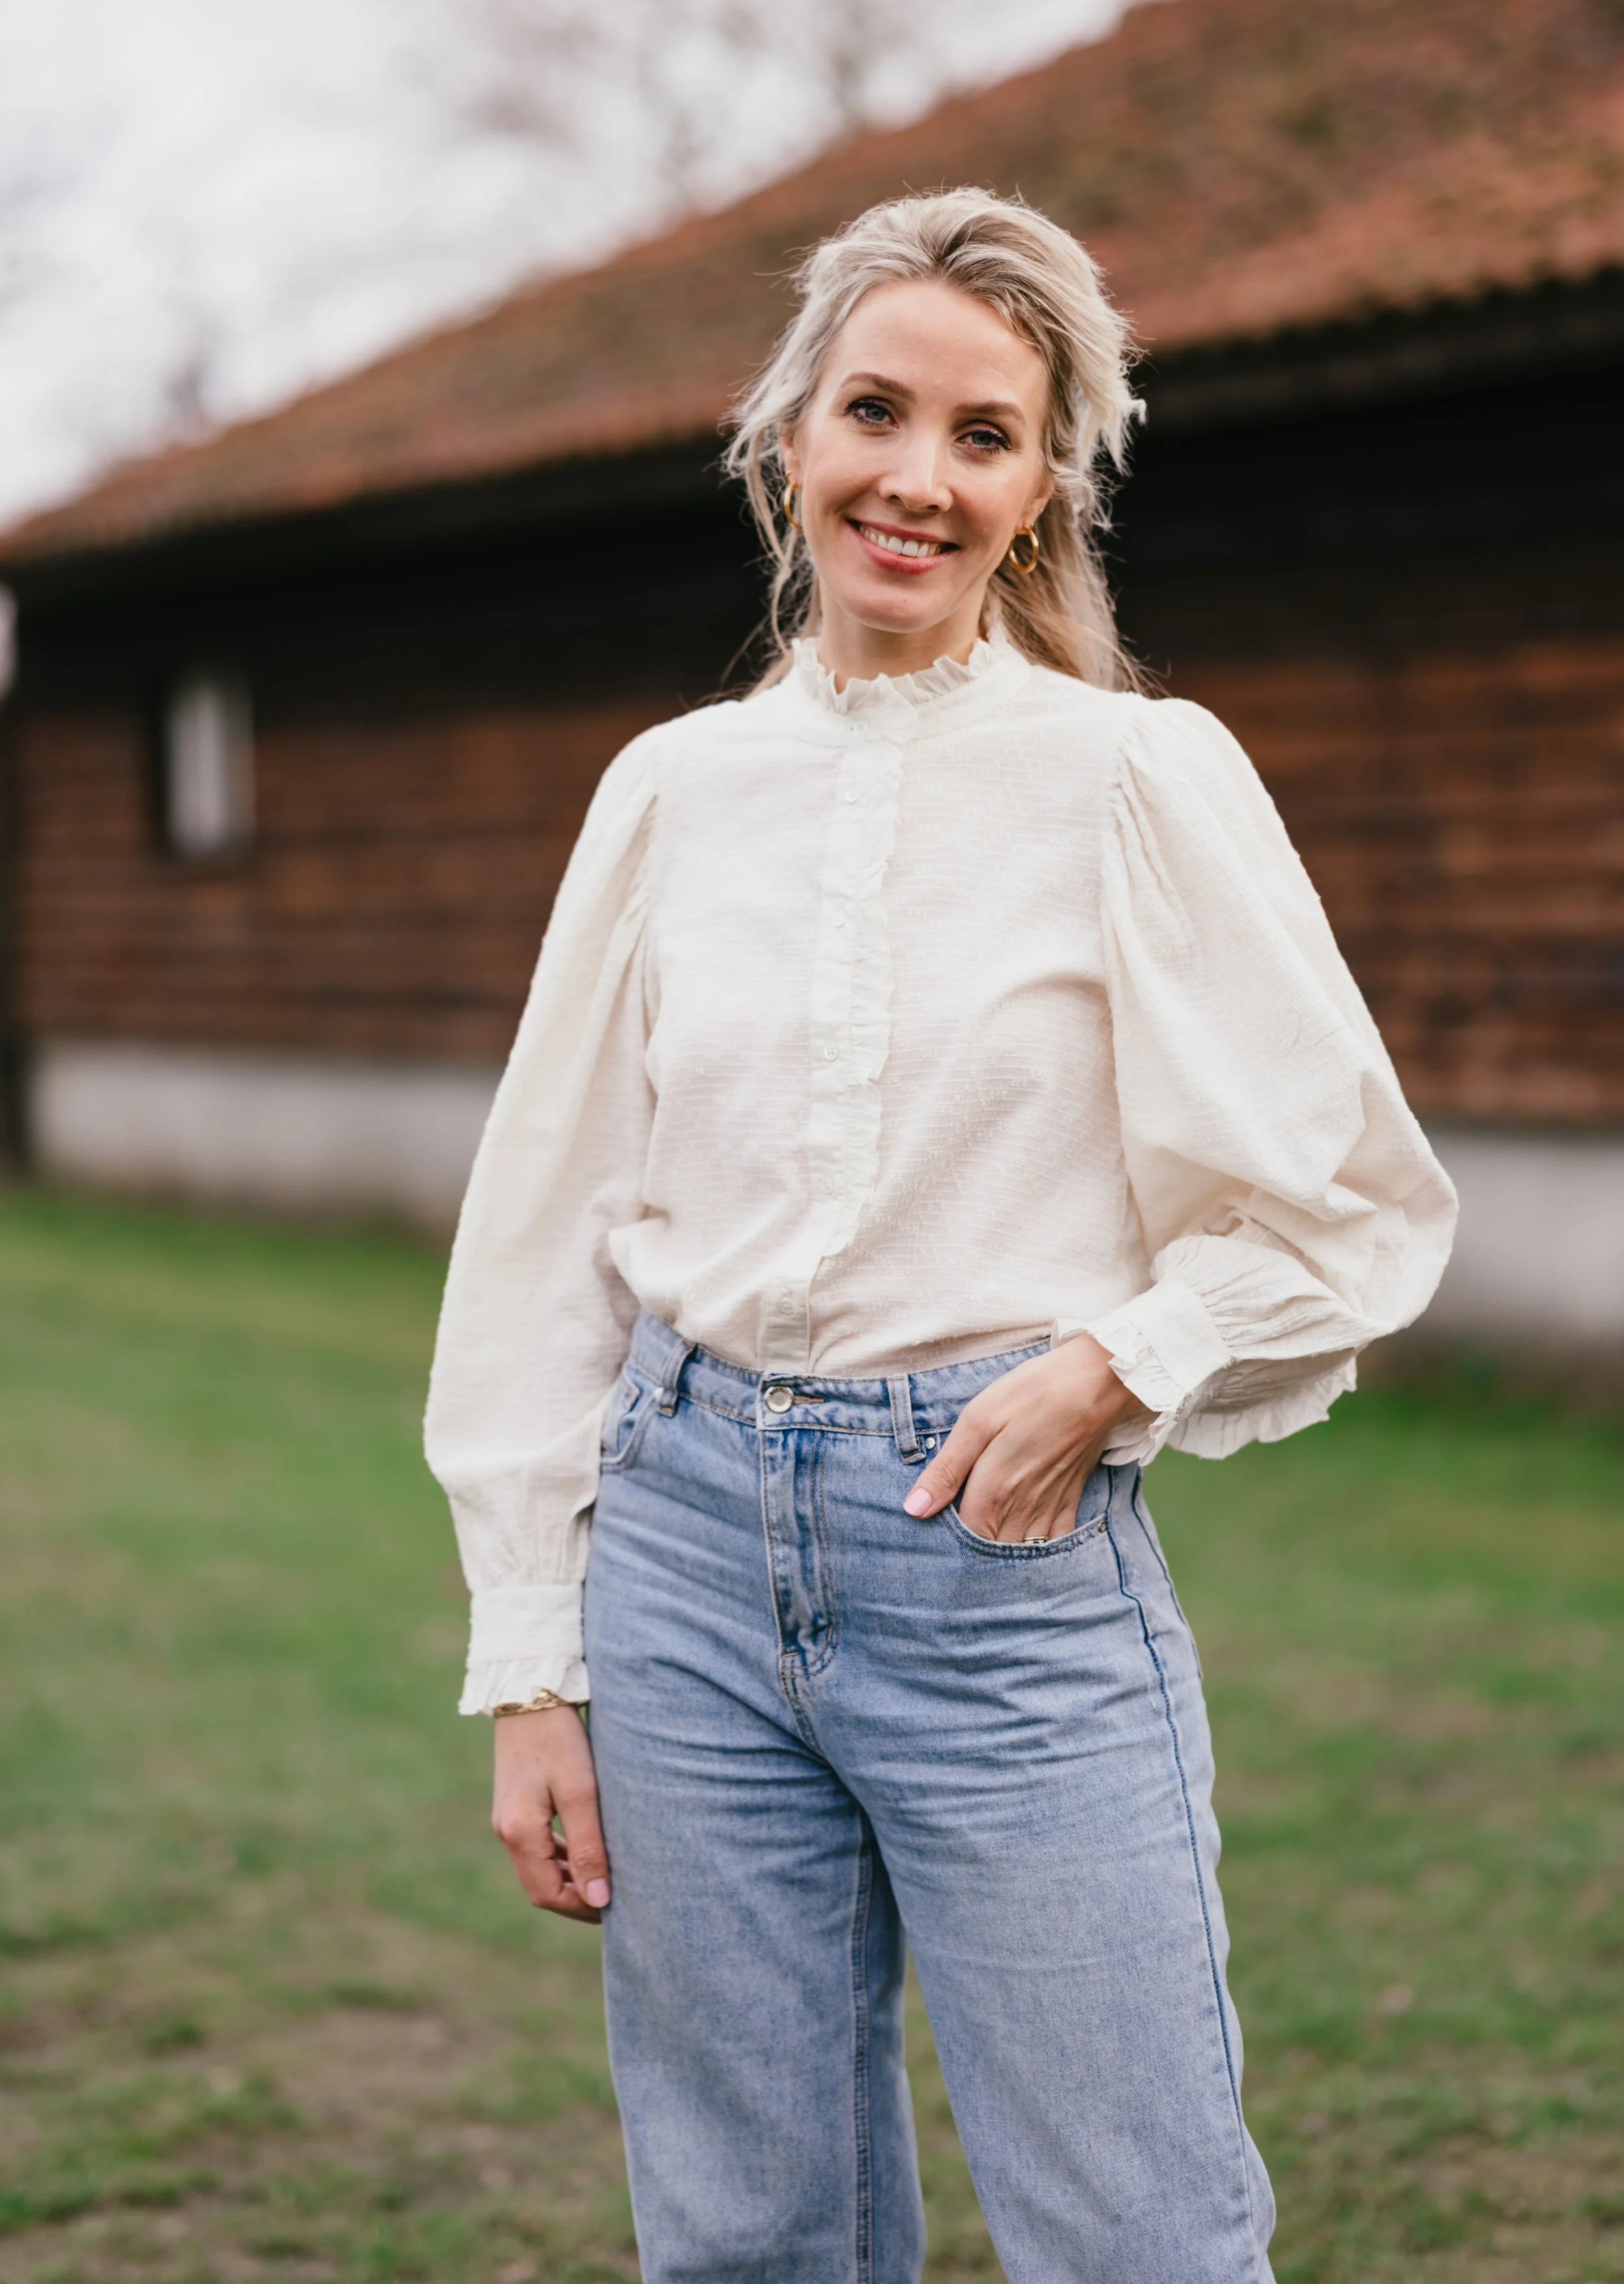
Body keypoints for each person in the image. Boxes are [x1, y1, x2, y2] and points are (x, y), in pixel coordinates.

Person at [424, 187, 1456, 2284]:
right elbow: (542, 1235)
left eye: (982, 434)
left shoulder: (1131, 779)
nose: (917, 476)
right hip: (685, 1560)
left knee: (1137, 2234)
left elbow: (1345, 1200)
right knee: (746, 2238)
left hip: (1000, 1559)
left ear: (1044, 481)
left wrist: (1111, 1364)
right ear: (783, 439)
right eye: (873, 411)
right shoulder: (666, 793)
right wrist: (534, 1661)